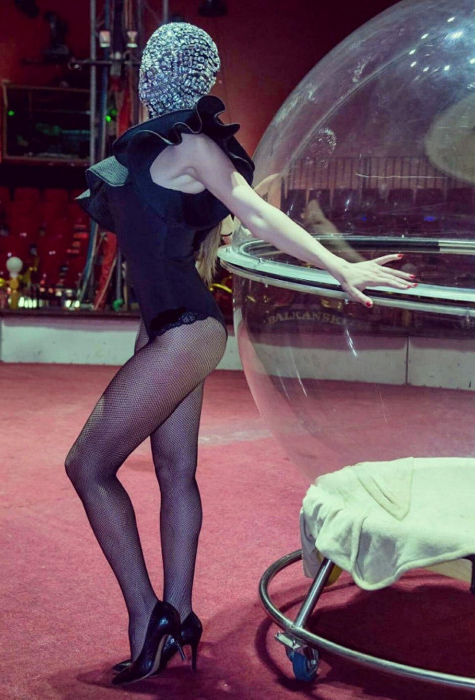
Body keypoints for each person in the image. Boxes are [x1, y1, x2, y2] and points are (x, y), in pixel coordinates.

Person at [65, 21, 416, 686]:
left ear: (168, 74)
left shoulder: (192, 143)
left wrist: (341, 266)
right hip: (163, 329)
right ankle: (178, 615)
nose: (151, 74)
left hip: (187, 329)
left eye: (158, 65)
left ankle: (147, 617)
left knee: (87, 465)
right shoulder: (145, 147)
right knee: (174, 471)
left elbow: (254, 212)